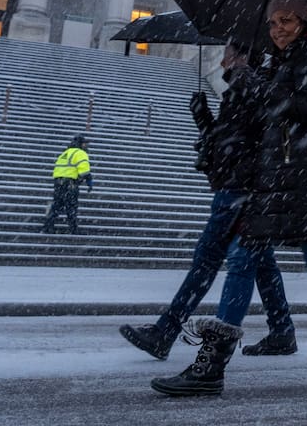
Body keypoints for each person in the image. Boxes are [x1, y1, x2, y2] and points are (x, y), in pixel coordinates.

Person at [151, 0, 307, 397]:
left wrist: (258, 85)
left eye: (286, 20)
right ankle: (212, 366)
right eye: (272, 22)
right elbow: (270, 115)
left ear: (304, 21)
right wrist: (243, 87)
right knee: (246, 256)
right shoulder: (286, 59)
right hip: (280, 175)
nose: (277, 28)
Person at [121, 41, 296, 365]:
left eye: (229, 50)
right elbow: (231, 138)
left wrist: (216, 141)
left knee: (206, 261)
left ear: (241, 56)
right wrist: (203, 117)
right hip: (245, 188)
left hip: (238, 190)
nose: (224, 56)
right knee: (263, 265)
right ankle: (282, 329)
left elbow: (235, 143)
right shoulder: (246, 87)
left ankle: (166, 331)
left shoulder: (245, 86)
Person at [41, 134, 92, 234]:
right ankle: (73, 229)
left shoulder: (65, 153)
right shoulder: (80, 153)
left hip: (59, 183)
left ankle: (47, 227)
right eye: (84, 144)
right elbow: (84, 169)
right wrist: (88, 180)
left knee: (57, 205)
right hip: (70, 184)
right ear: (80, 144)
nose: (86, 146)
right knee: (71, 207)